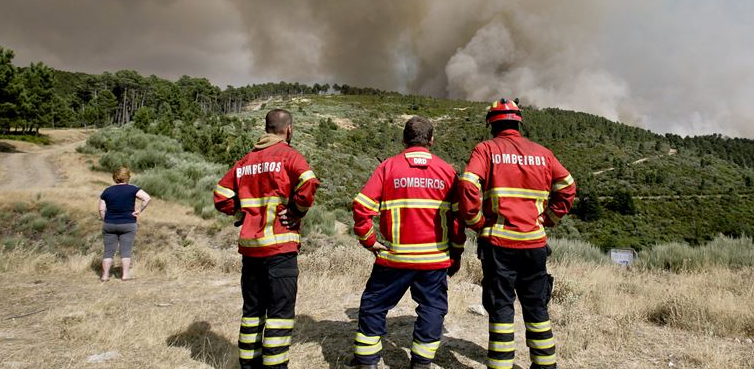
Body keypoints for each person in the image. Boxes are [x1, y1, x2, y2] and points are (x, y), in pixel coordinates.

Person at [456, 99, 576, 369]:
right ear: (519, 123)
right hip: (534, 244)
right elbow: (568, 186)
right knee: (536, 305)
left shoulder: (486, 149)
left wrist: (476, 222)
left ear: (492, 124)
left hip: (499, 245)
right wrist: (548, 219)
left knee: (501, 306)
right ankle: (545, 364)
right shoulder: (543, 153)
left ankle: (501, 365)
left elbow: (467, 185)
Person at [347, 116, 465, 369]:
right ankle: (421, 363)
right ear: (431, 140)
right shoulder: (447, 172)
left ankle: (367, 362)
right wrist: (456, 252)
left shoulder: (388, 168)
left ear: (404, 139)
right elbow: (458, 219)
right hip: (434, 260)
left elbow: (362, 206)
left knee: (374, 305)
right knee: (432, 308)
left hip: (394, 257)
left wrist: (369, 241)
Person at [214, 109, 319, 369]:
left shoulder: (245, 161)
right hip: (280, 249)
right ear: (289, 129)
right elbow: (309, 183)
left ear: (266, 128)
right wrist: (295, 212)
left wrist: (239, 212)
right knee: (280, 316)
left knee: (252, 314)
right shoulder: (289, 156)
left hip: (250, 252)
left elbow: (220, 194)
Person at [99, 166, 151, 282]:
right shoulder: (133, 189)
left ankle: (105, 275)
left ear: (115, 178)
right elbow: (147, 198)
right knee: (126, 250)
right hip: (128, 223)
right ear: (127, 177)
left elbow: (101, 209)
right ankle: (125, 275)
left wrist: (105, 219)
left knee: (108, 250)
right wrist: (139, 211)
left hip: (109, 224)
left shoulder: (107, 190)